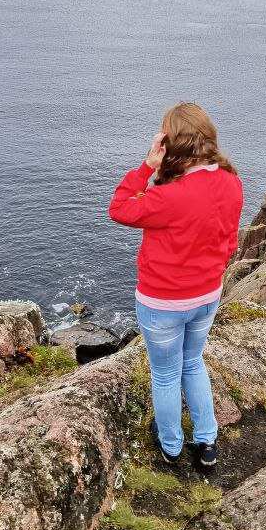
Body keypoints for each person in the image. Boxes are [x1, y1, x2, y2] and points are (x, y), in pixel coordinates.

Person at [108, 102, 244, 469]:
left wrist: (147, 166)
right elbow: (230, 240)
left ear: (170, 144)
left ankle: (171, 445)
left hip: (163, 303)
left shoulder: (167, 196)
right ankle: (207, 442)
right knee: (193, 362)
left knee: (166, 374)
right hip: (207, 295)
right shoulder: (231, 182)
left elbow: (119, 208)